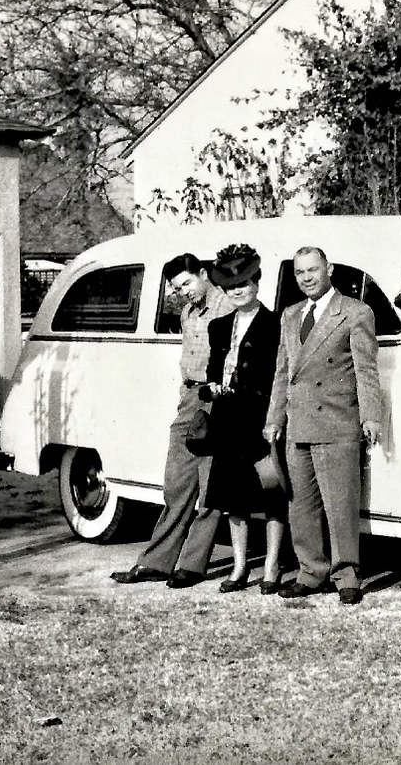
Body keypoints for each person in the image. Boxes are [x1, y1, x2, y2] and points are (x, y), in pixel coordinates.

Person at [263, 246, 382, 605]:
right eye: (300, 273)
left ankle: (347, 575)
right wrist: (274, 419)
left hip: (336, 423)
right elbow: (283, 374)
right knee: (301, 507)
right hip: (297, 426)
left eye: (313, 270)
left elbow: (366, 370)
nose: (307, 278)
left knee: (340, 506)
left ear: (328, 268)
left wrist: (370, 416)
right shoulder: (290, 315)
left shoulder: (355, 312)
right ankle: (311, 572)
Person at [111, 253, 232, 588]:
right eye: (178, 289)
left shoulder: (227, 306)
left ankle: (192, 566)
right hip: (190, 399)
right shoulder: (188, 313)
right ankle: (156, 562)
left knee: (210, 489)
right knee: (177, 484)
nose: (184, 292)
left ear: (204, 274)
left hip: (217, 400)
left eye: (187, 283)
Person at [201, 243, 287, 594]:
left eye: (245, 284)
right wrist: (212, 387)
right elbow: (212, 369)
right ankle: (238, 567)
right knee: (233, 498)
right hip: (227, 421)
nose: (238, 291)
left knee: (271, 494)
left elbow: (281, 375)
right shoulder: (219, 327)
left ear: (257, 283)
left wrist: (273, 418)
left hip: (261, 420)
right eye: (231, 287)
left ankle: (271, 565)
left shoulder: (275, 323)